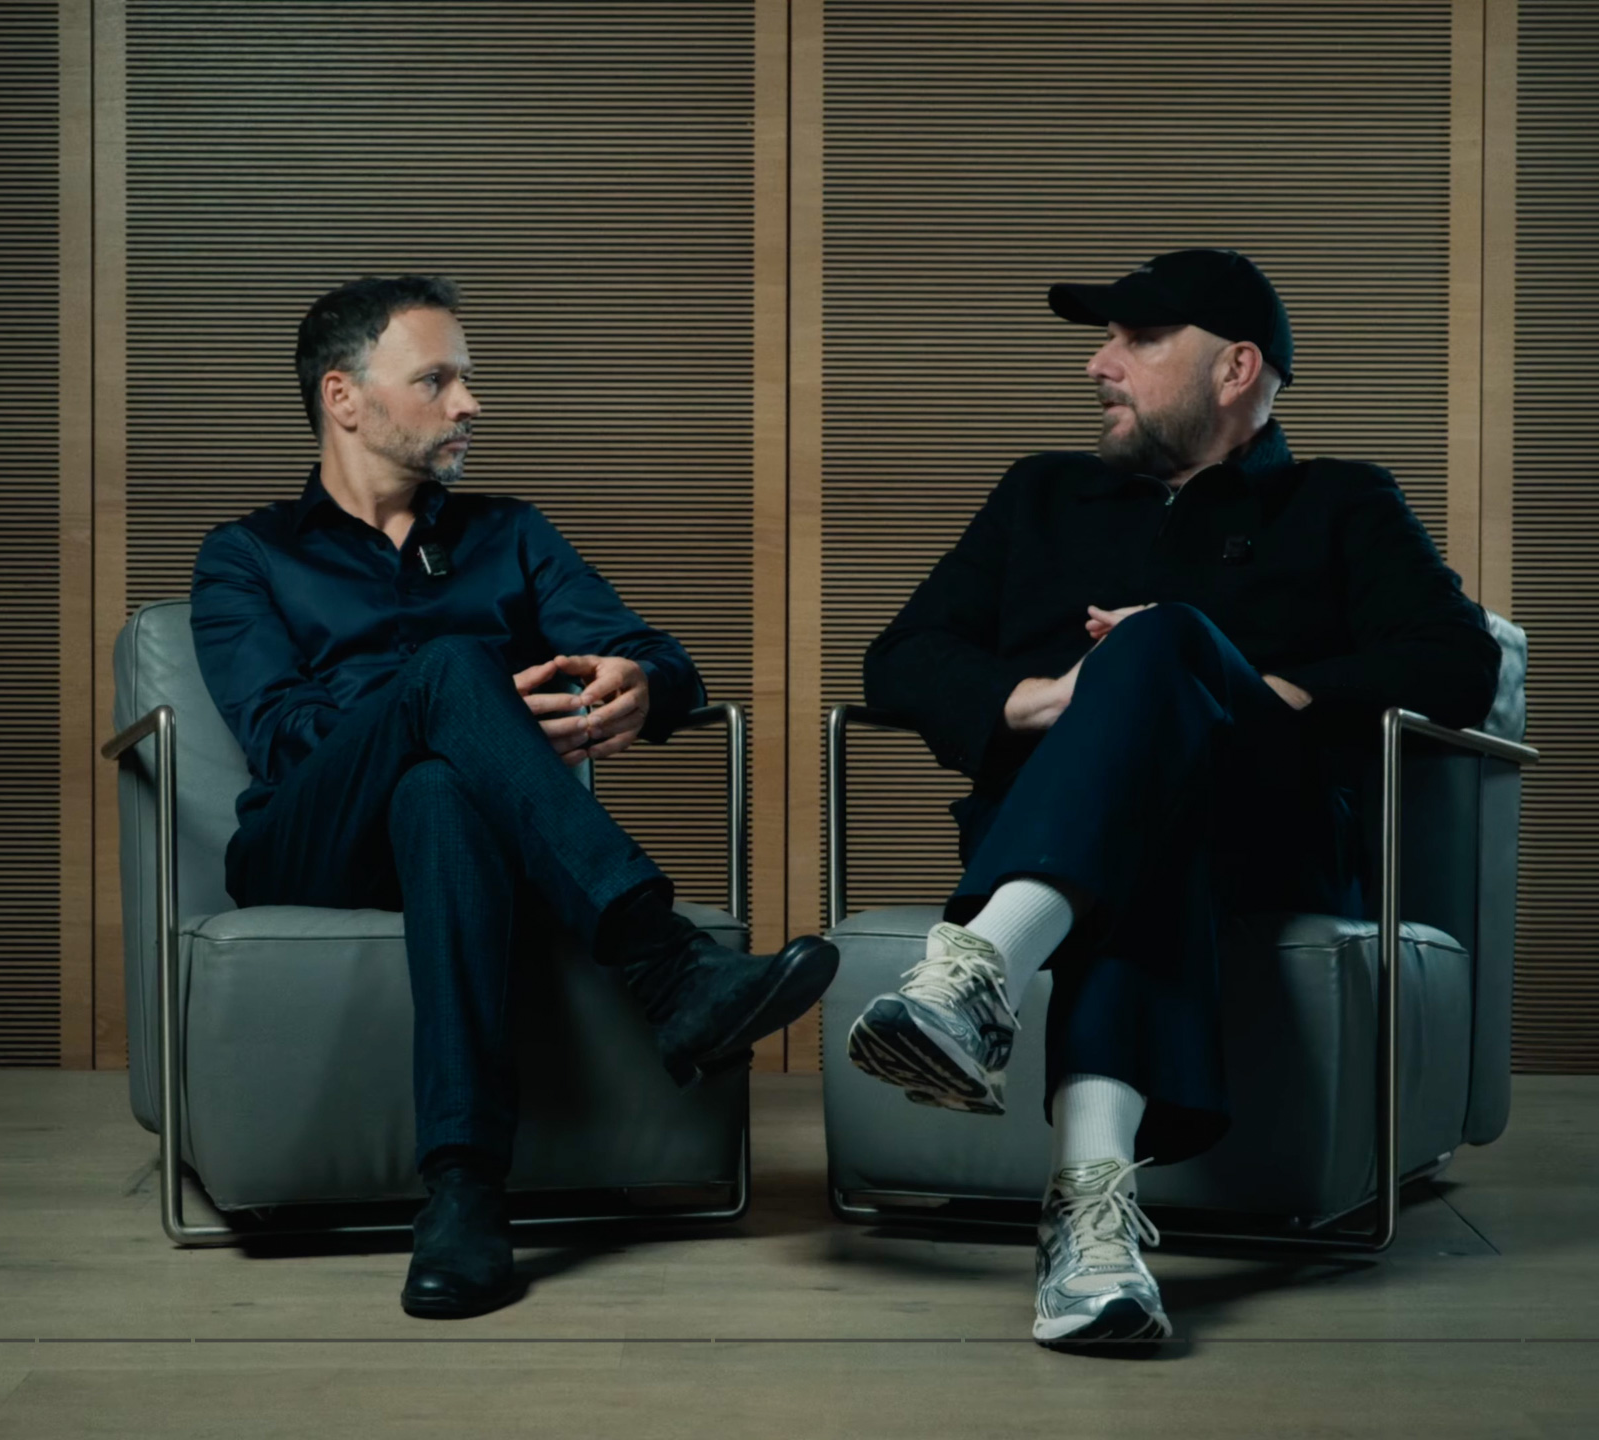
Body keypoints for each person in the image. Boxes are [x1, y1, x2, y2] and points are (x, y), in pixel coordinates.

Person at [845, 249, 1499, 1349]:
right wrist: (1051, 698)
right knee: (1142, 834)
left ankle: (980, 969)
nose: (1099, 365)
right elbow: (900, 659)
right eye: (1104, 341)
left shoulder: (1339, 499)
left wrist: (1247, 685)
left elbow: (1454, 661)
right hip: (1072, 828)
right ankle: (1089, 1231)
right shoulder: (1040, 493)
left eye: (1138, 340)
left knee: (1162, 641)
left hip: (1271, 832)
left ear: (1236, 368)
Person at [191, 274, 837, 1321]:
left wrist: (643, 686)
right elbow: (283, 738)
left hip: (463, 837)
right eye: (436, 380)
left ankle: (463, 1194)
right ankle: (666, 966)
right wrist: (454, 705)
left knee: (441, 793)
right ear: (343, 397)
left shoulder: (511, 534)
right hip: (310, 840)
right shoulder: (247, 555)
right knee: (450, 675)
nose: (470, 403)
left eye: (468, 380)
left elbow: (659, 656)